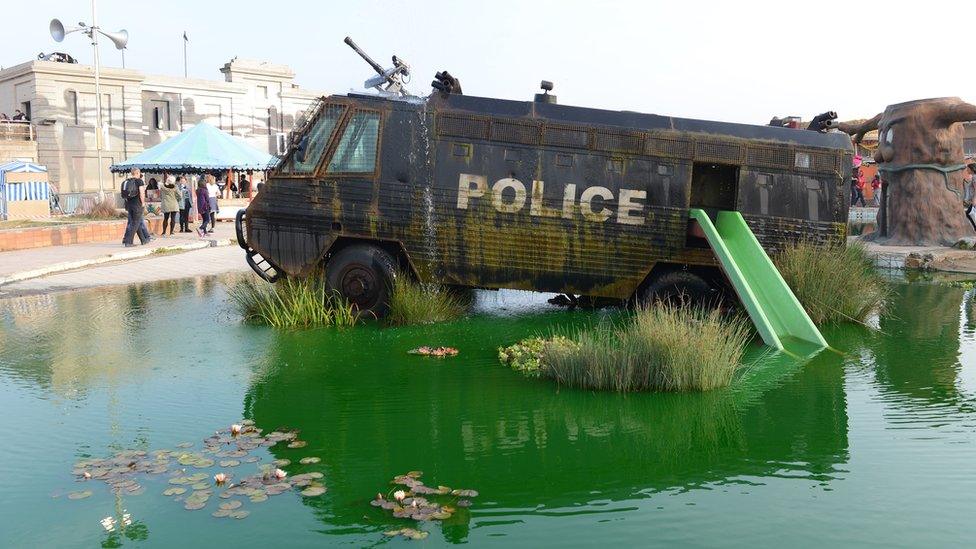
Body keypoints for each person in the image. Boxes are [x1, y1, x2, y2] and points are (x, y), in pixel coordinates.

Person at [121, 168, 148, 247]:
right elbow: (141, 193)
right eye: (139, 173)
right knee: (135, 223)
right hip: (137, 204)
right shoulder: (139, 181)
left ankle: (143, 240)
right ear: (137, 173)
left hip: (129, 204)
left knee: (136, 222)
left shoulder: (127, 181)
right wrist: (143, 203)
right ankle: (128, 242)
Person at [965, 163, 976, 232]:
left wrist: (974, 200)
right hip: (973, 199)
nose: (967, 170)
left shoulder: (974, 177)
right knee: (970, 214)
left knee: (969, 213)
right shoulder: (973, 177)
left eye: (968, 169)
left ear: (972, 169)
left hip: (975, 200)